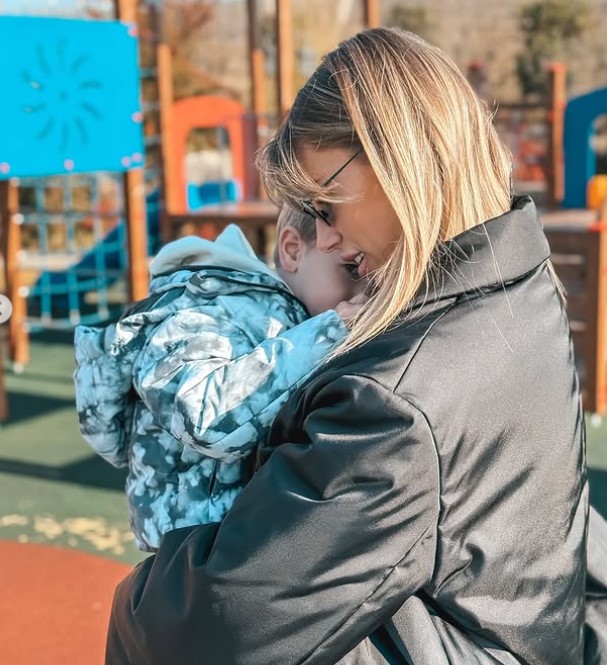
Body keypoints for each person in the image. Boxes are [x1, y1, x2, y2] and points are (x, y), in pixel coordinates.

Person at [106, 27, 594, 664]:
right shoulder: (523, 284)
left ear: (395, 158)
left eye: (324, 201)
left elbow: (217, 623)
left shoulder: (393, 397)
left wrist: (138, 594)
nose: (325, 236)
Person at [74, 205, 365, 551]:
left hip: (237, 541)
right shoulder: (216, 311)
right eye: (352, 269)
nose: (364, 289)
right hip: (192, 548)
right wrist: (329, 332)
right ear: (292, 250)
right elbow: (203, 416)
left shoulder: (296, 321)